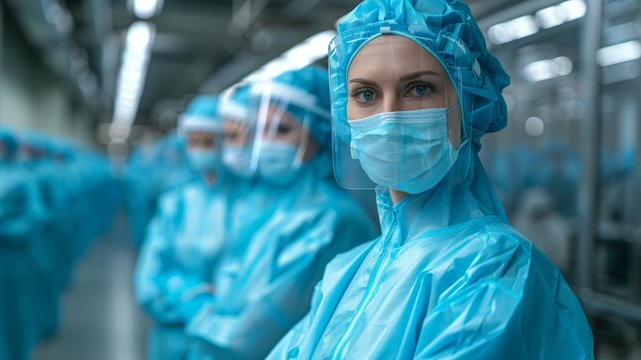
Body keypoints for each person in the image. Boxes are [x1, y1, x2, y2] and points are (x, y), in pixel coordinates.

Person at [267, 1, 594, 359]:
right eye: (366, 94)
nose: (389, 117)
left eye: (419, 89)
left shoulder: (492, 270)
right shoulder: (346, 271)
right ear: (345, 116)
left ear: (468, 104)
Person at [186, 67, 377, 360]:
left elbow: (257, 332)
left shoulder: (331, 220)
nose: (266, 143)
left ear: (321, 131)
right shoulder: (279, 206)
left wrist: (198, 312)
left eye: (283, 130)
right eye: (262, 129)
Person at [135, 96, 234, 360]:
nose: (200, 149)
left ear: (225, 141)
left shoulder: (245, 203)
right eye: (193, 141)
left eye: (208, 141)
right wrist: (178, 303)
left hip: (219, 339)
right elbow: (150, 272)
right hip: (170, 333)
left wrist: (182, 294)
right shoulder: (175, 201)